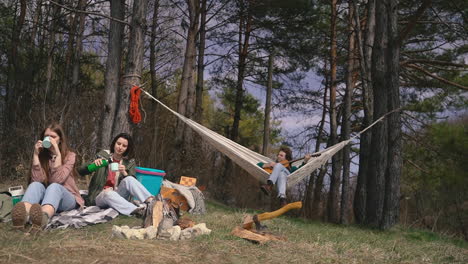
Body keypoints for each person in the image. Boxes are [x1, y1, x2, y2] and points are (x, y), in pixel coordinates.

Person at [11, 123, 84, 231]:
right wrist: (36, 155)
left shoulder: (70, 156)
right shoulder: (42, 156)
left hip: (68, 199)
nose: (49, 139)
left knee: (54, 186)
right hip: (48, 198)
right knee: (35, 185)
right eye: (46, 137)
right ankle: (22, 217)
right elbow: (37, 180)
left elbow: (58, 180)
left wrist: (58, 155)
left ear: (60, 140)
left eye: (53, 137)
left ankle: (42, 219)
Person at [78, 133, 155, 226]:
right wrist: (93, 164)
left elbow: (133, 182)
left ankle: (151, 203)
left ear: (127, 148)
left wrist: (125, 173)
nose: (120, 147)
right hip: (99, 196)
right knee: (108, 193)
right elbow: (81, 171)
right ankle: (137, 211)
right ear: (114, 143)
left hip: (118, 195)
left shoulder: (129, 163)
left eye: (124, 146)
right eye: (118, 144)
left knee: (129, 179)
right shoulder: (102, 156)